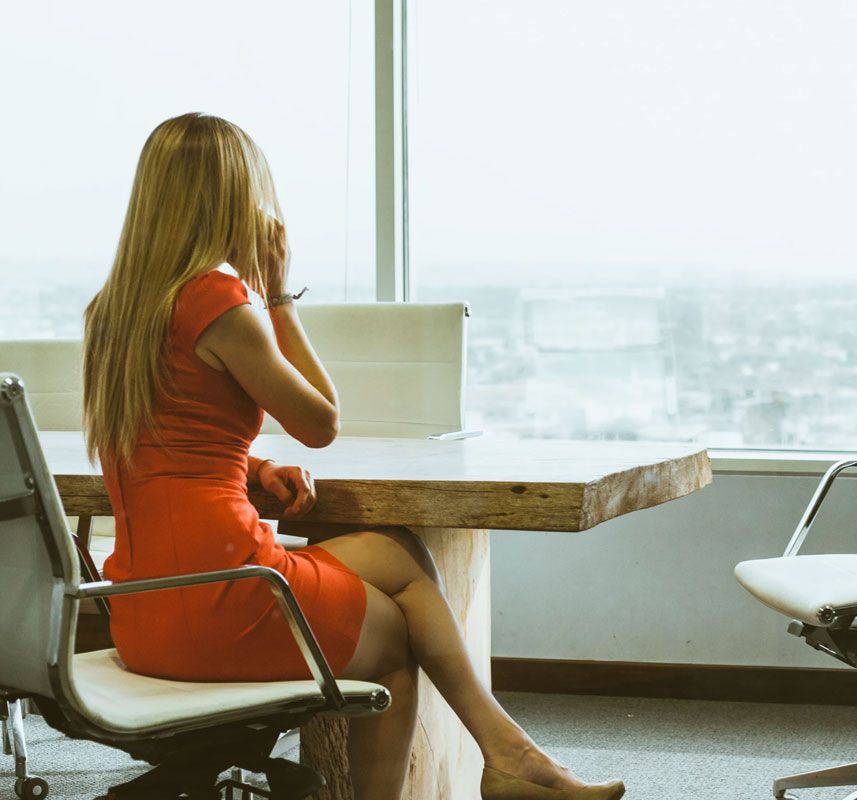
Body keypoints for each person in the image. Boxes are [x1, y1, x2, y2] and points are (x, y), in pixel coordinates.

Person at [81, 112, 624, 800]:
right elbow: (319, 423)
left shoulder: (112, 312)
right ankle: (495, 764)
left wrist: (246, 471)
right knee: (395, 642)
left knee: (397, 556)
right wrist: (277, 295)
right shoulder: (218, 302)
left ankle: (510, 754)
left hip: (140, 603)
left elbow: (149, 447)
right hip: (223, 594)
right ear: (230, 199)